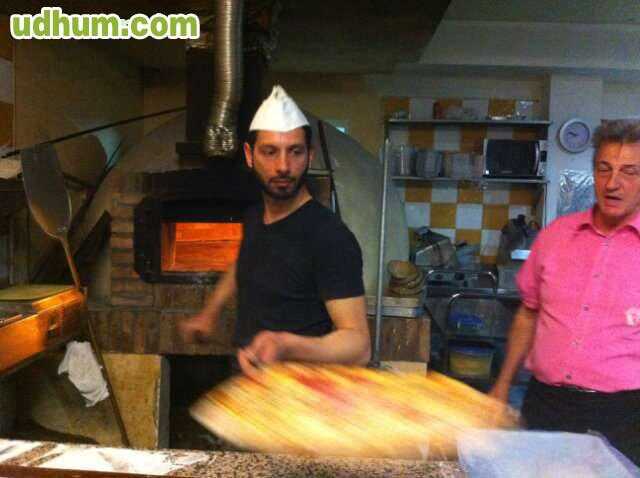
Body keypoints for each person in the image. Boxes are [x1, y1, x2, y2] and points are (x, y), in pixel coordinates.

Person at [179, 86, 371, 378]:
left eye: (295, 151)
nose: (283, 166)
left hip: (296, 390)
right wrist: (210, 313)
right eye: (270, 152)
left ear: (310, 156)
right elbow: (243, 263)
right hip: (247, 379)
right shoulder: (255, 216)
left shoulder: (329, 236)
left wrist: (286, 344)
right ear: (249, 155)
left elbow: (359, 346)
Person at [489, 119, 640, 465]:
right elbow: (528, 313)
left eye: (629, 172)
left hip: (625, 412)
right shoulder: (555, 236)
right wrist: (503, 383)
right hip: (547, 405)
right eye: (604, 168)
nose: (613, 183)